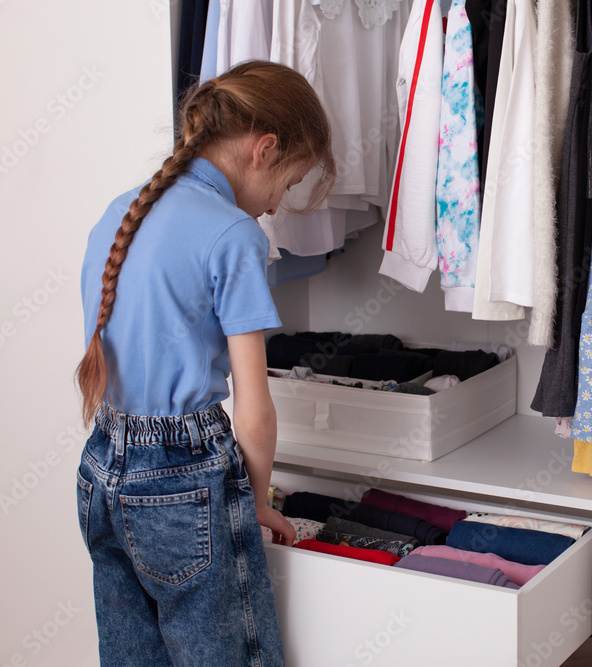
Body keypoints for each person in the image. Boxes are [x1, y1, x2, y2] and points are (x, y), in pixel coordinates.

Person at [73, 60, 336, 667]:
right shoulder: (232, 236)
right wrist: (260, 497)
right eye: (287, 185)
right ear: (263, 150)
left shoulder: (121, 209)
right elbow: (254, 406)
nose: (274, 207)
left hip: (101, 466)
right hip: (183, 483)